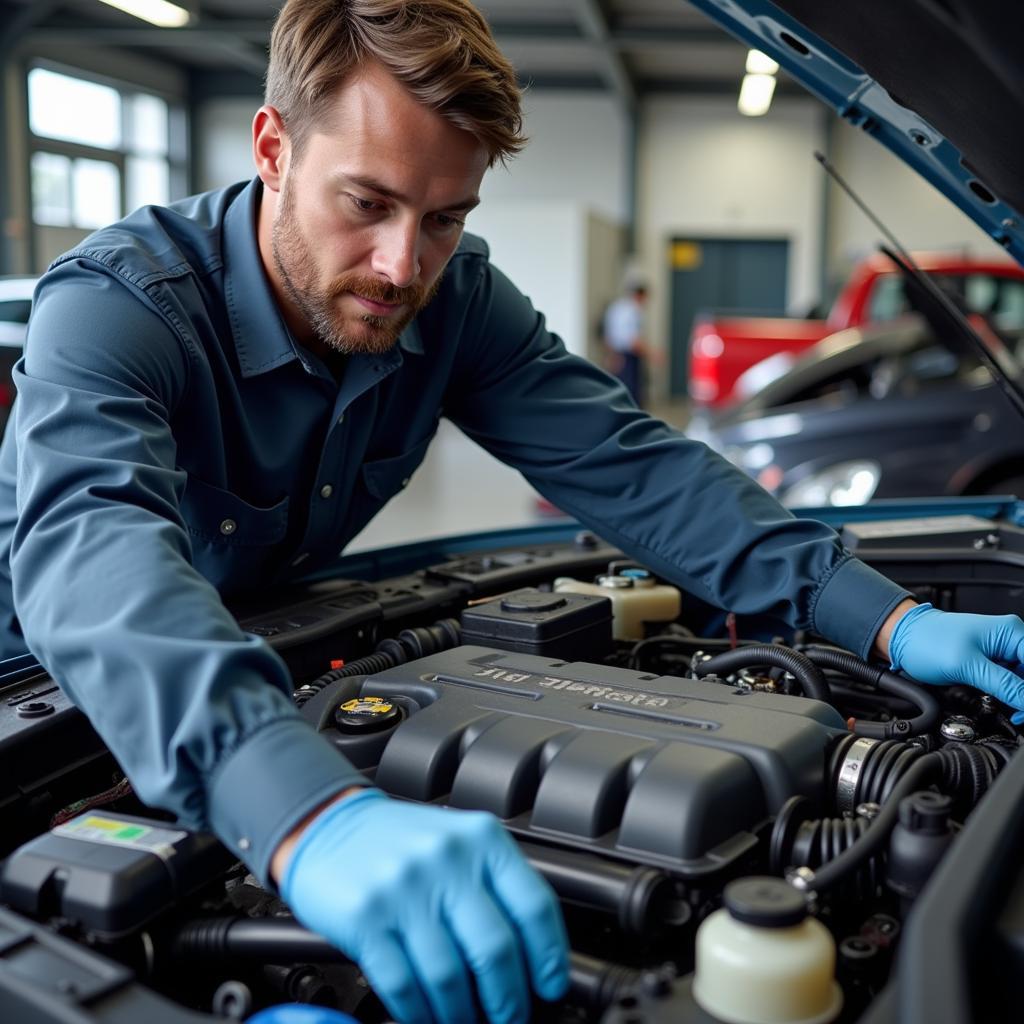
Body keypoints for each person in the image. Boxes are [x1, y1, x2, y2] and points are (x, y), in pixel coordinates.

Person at [2, 2, 1024, 1023]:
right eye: (366, 202)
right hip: (49, 686)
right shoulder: (120, 304)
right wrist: (304, 811)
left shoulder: (451, 303)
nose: (403, 265)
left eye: (445, 217)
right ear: (273, 147)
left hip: (249, 645)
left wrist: (885, 616)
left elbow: (633, 465)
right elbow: (96, 555)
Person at [601, 279, 652, 407]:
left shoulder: (616, 307)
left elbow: (607, 334)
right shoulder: (632, 311)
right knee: (631, 394)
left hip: (617, 354)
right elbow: (633, 341)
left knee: (618, 391)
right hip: (629, 357)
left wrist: (611, 356)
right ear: (639, 295)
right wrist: (653, 354)